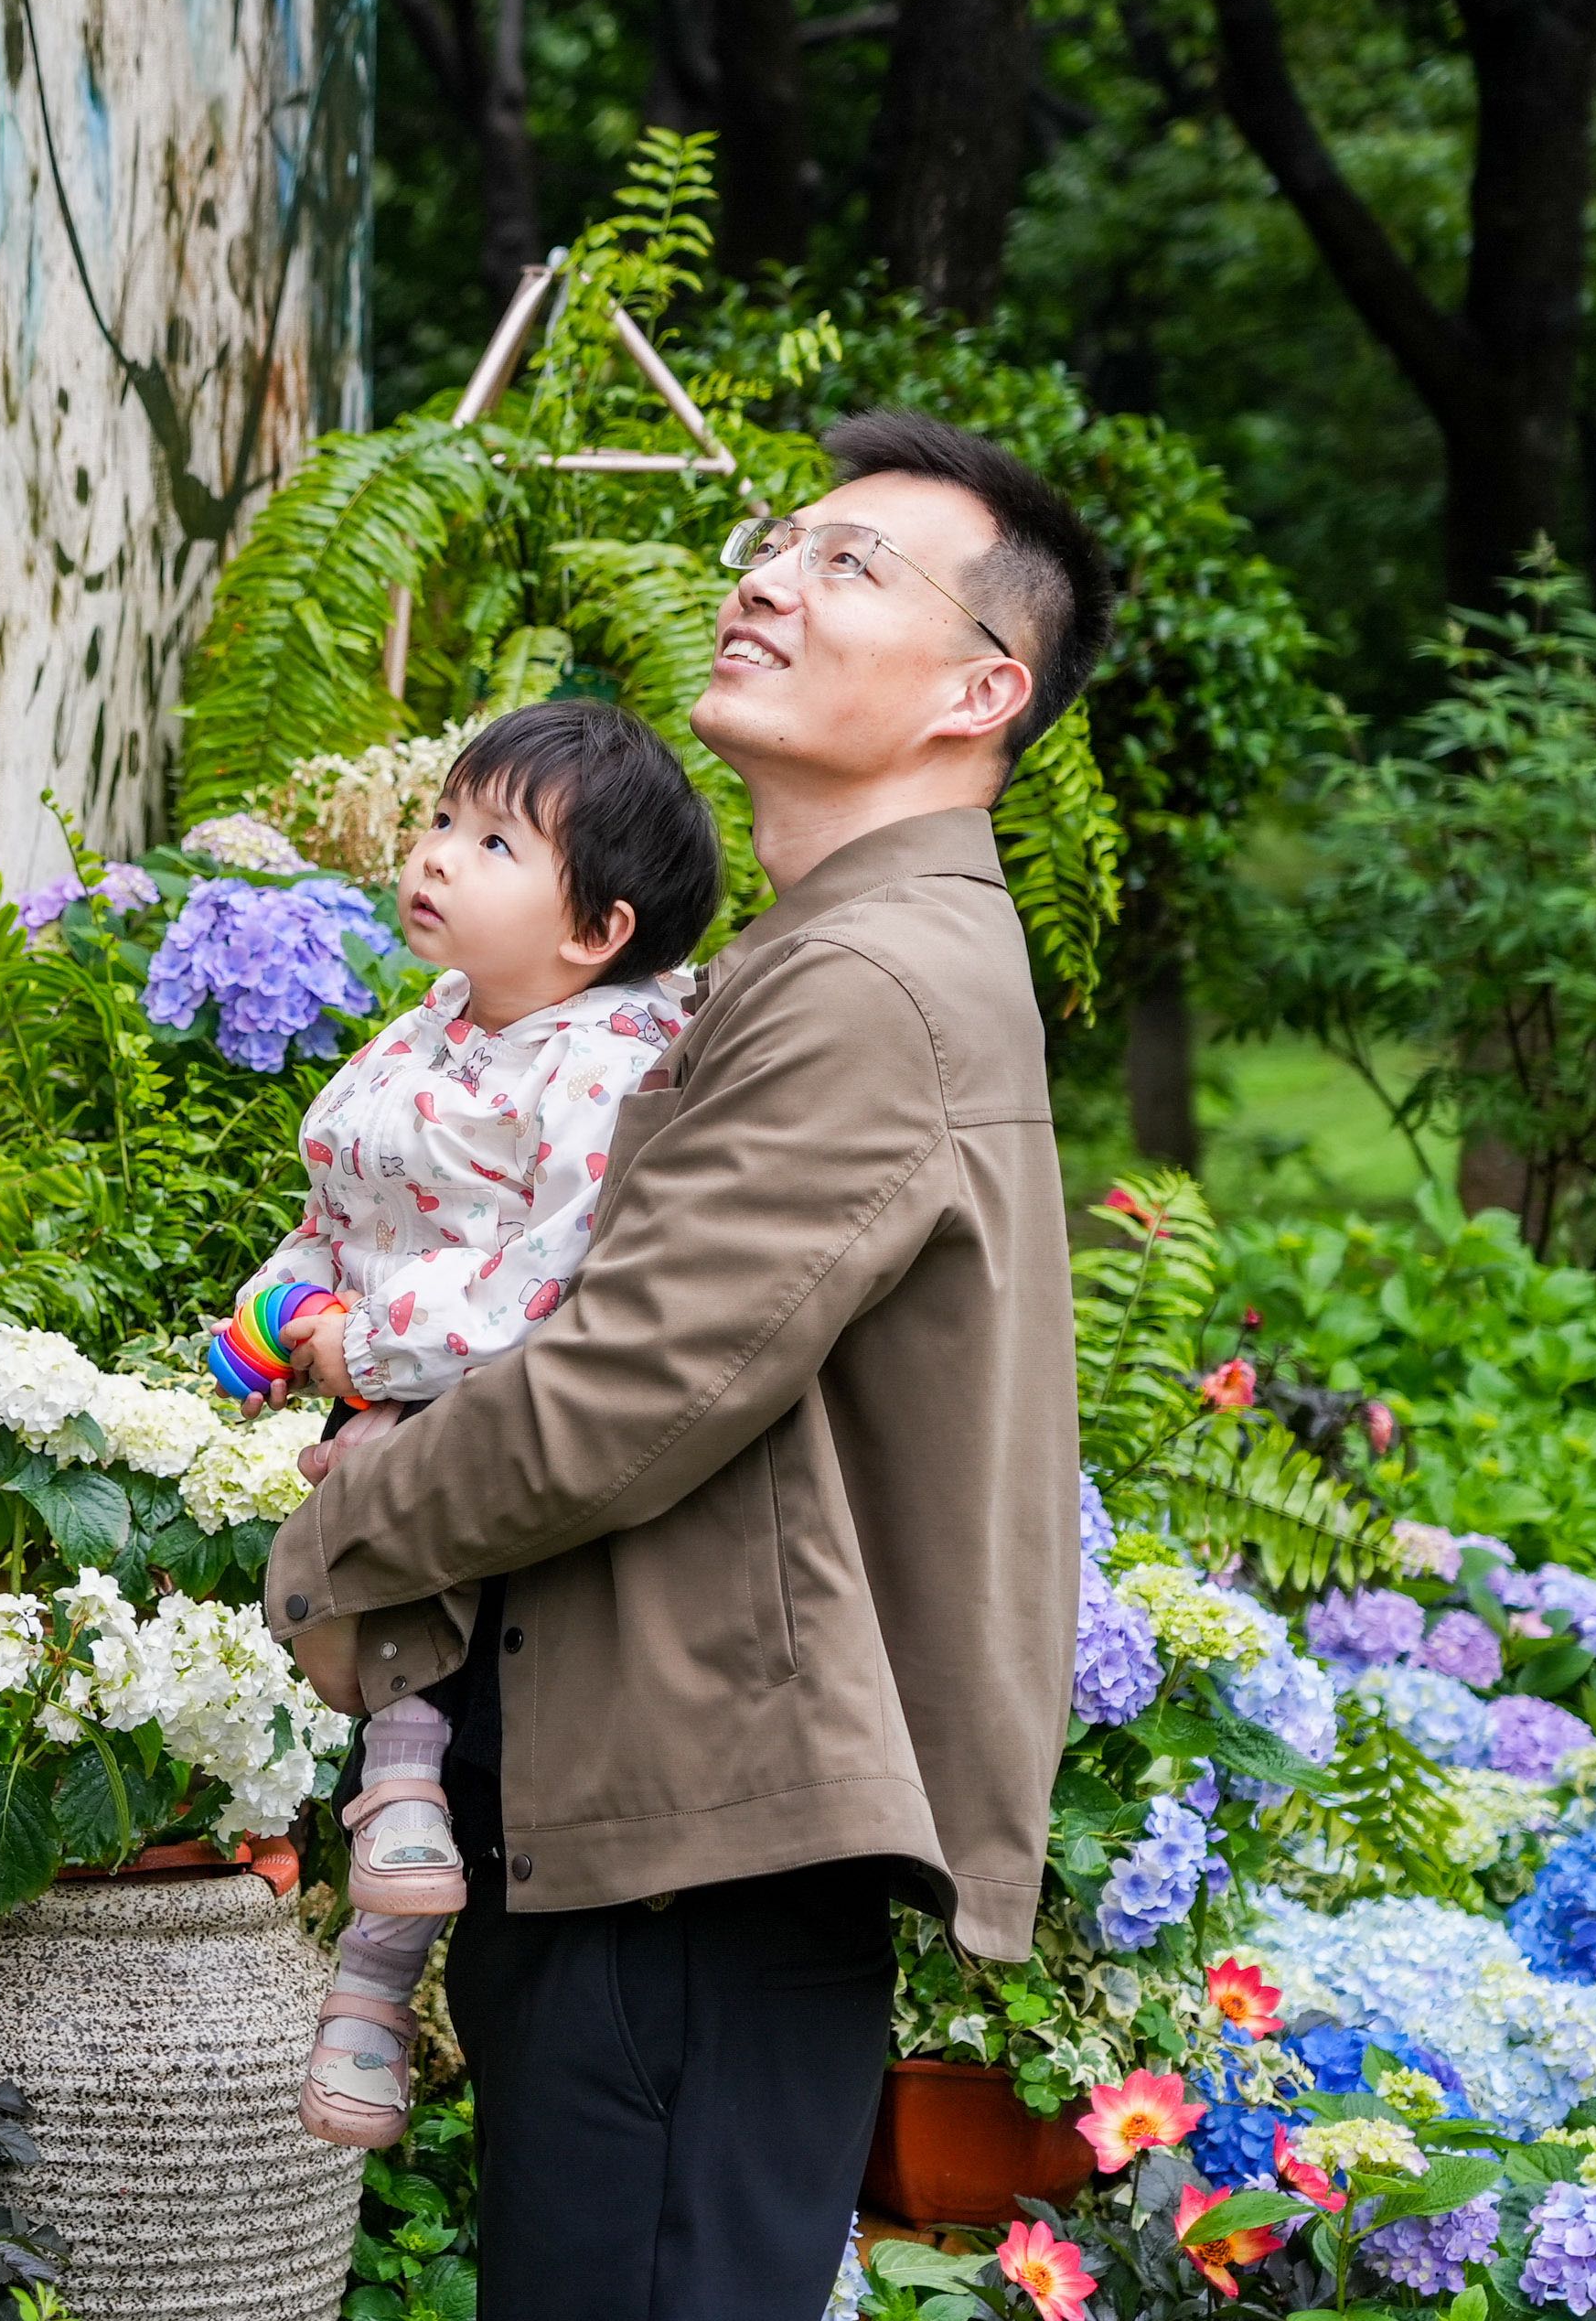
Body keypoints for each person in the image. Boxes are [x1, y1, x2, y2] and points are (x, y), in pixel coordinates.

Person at [258, 411, 1108, 2321]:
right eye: (777, 539)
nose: (771, 576)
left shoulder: (869, 985)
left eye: (850, 565)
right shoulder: (822, 958)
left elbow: (634, 1389)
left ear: (985, 689)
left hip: (701, 1854)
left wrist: (338, 1534)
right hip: (666, 1813)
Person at [199, 701, 723, 2150]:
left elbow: (550, 1278)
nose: (436, 856)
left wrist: (357, 1346)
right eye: (442, 820)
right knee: (365, 1524)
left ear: (599, 929)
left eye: (494, 843)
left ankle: (377, 1959)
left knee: (397, 1524)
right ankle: (390, 1864)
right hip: (371, 1380)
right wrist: (267, 1320)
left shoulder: (604, 1058)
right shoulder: (436, 1023)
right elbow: (339, 1211)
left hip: (476, 1408)